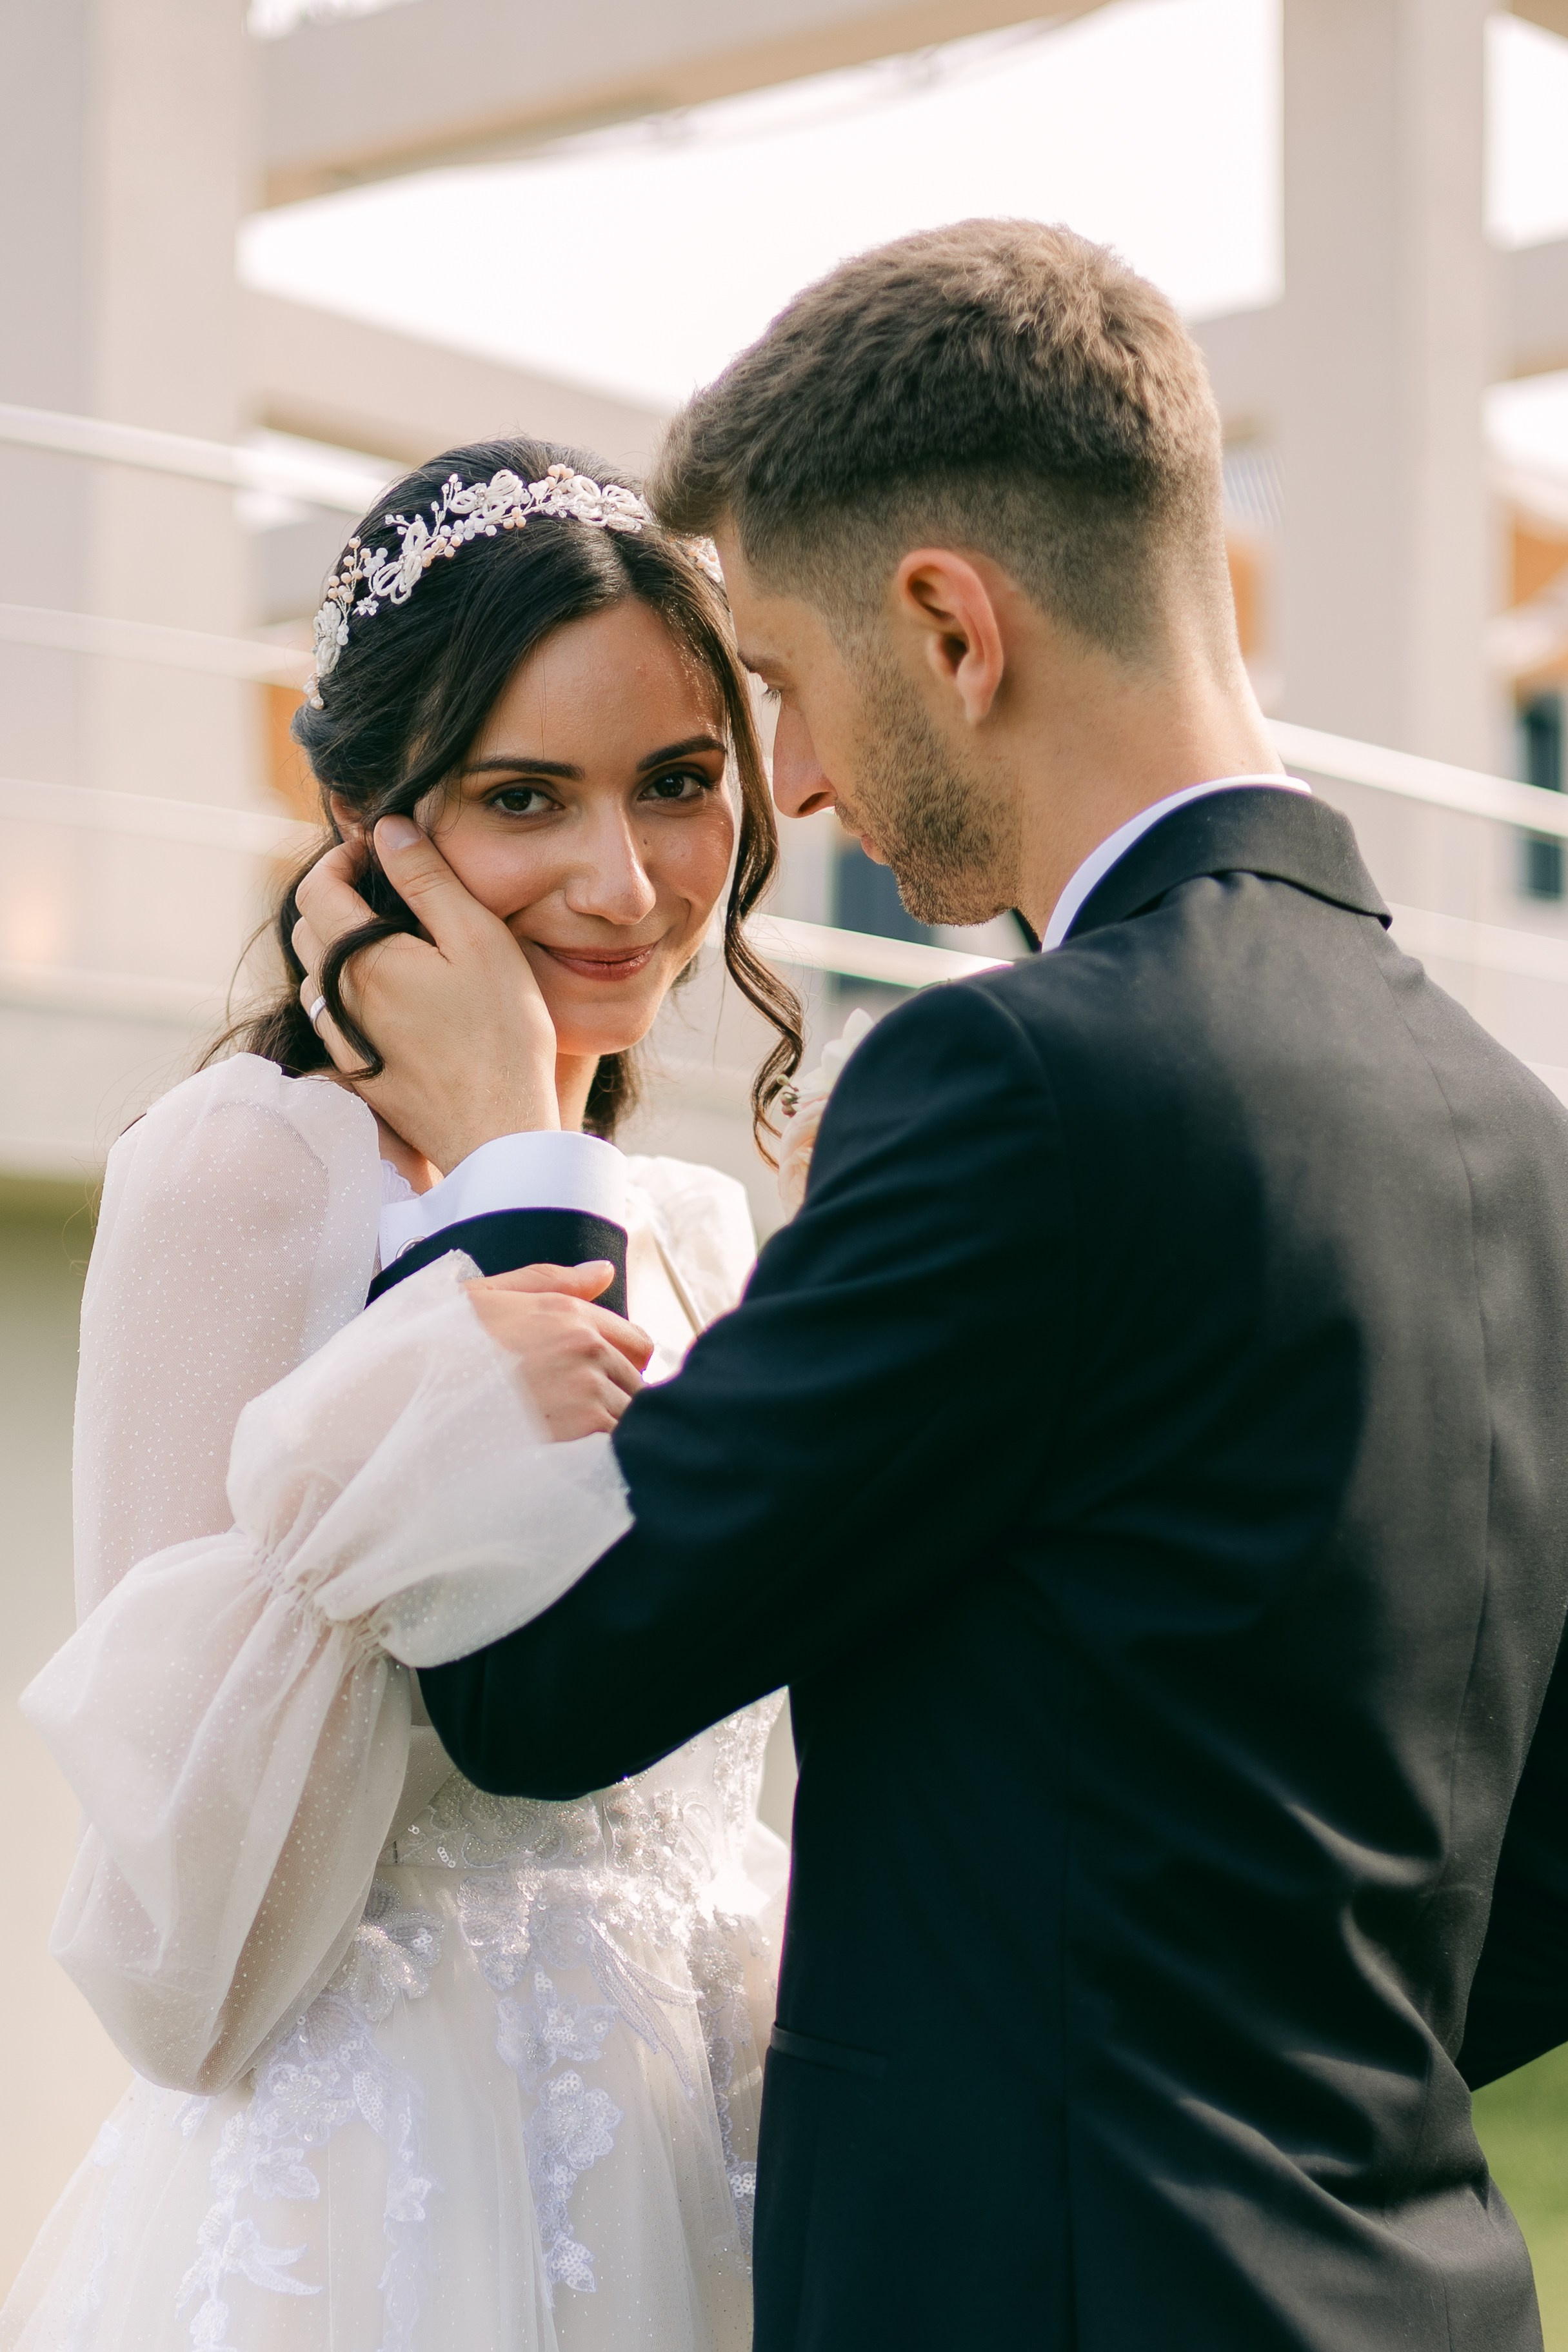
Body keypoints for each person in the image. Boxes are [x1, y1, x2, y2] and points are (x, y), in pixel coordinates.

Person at [288, 223, 1568, 2352]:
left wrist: (515, 1157)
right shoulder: (1517, 1129)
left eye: (786, 681)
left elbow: (543, 1687)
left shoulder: (1019, 1089)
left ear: (950, 628)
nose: (791, 778)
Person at [5, 440, 804, 2352]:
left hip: (712, 2170)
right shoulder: (245, 1172)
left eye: (679, 783)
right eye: (526, 798)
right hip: (384, 2206)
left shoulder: (696, 1226)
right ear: (364, 815)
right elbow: (181, 1922)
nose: (626, 883)